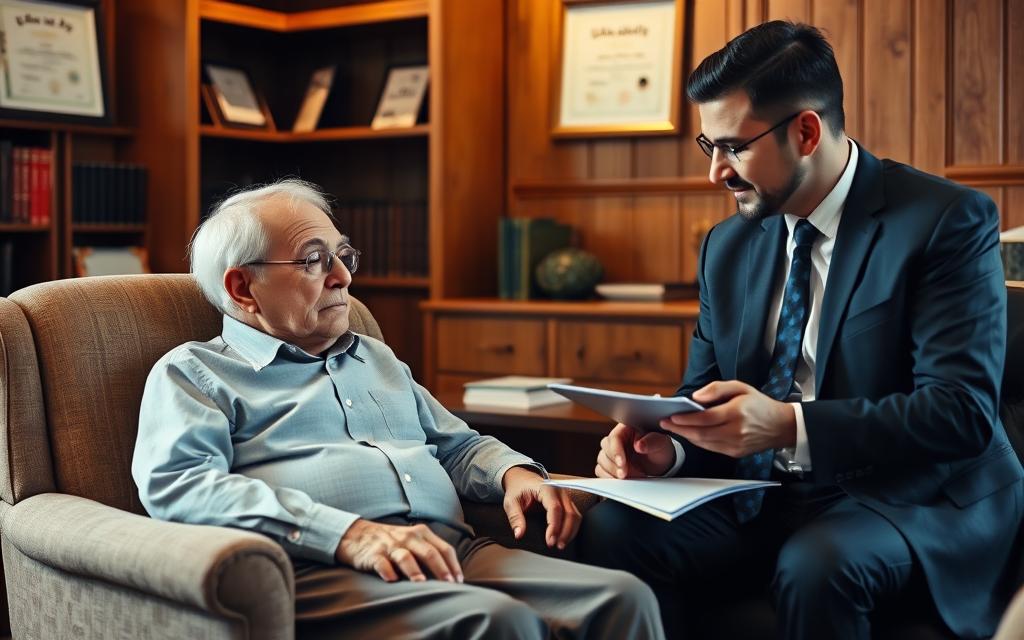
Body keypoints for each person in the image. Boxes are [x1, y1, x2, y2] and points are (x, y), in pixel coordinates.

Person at [577, 20, 1023, 640]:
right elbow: (702, 396)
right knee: (612, 531)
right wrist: (668, 446)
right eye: (709, 147)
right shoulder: (727, 247)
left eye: (734, 147)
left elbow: (961, 413)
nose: (717, 174)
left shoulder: (945, 221)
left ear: (806, 131)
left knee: (817, 567)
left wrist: (789, 426)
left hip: (909, 494)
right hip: (764, 491)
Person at [132, 178, 664, 640]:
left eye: (342, 255)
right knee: (497, 624)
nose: (342, 276)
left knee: (623, 598)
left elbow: (459, 446)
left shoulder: (375, 357)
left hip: (454, 549)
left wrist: (513, 474)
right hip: (322, 569)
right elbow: (180, 484)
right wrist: (347, 534)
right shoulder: (195, 373)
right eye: (315, 260)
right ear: (243, 287)